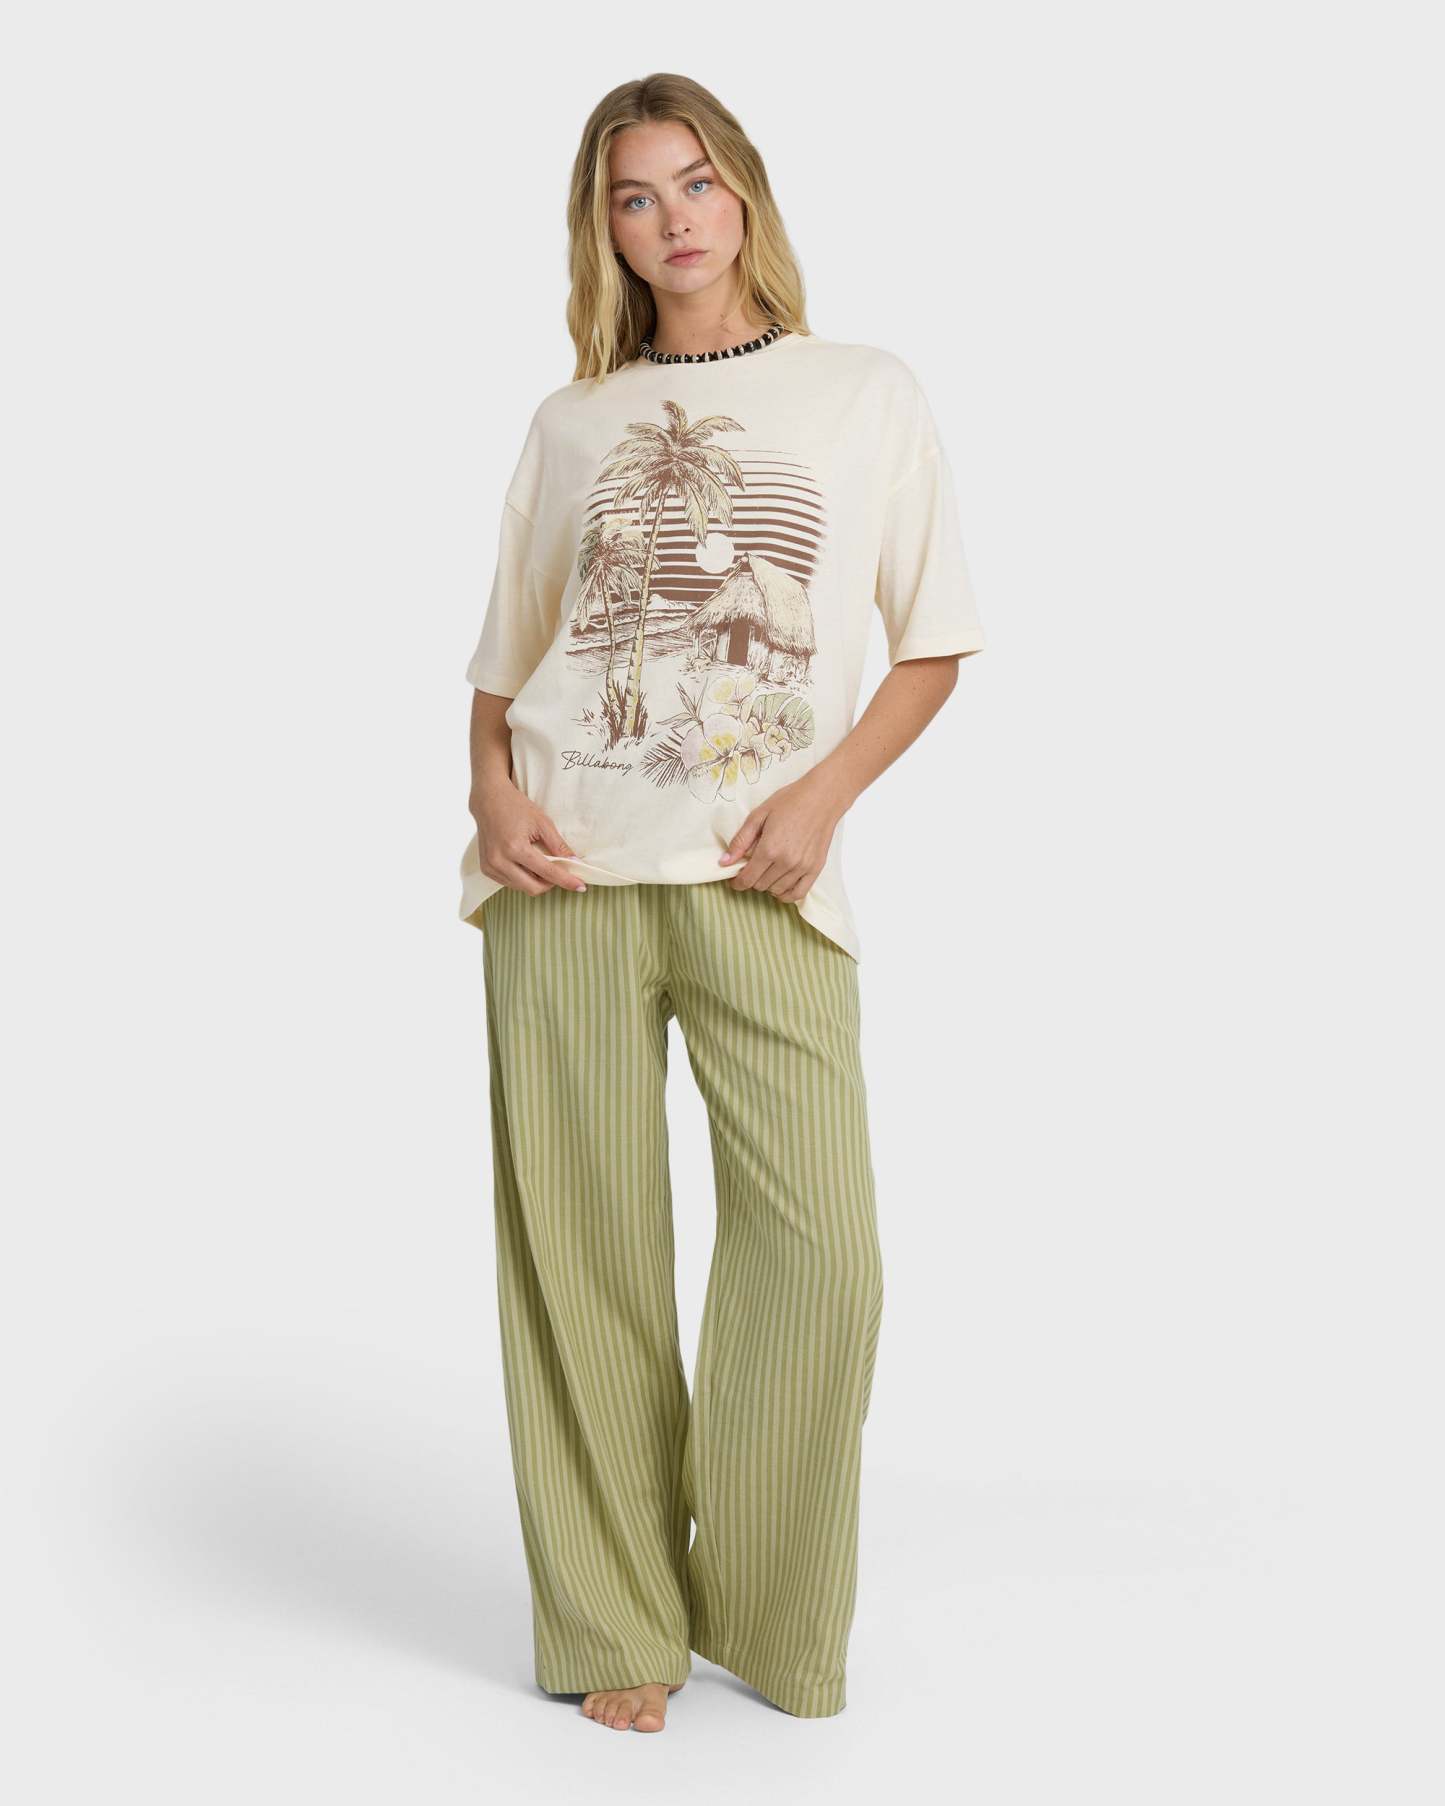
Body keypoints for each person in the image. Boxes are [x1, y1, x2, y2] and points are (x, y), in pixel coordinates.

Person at [460, 73, 985, 1732]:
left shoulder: (862, 390)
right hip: (561, 871)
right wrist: (489, 796)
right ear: (603, 229)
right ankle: (614, 1610)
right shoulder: (574, 422)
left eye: (692, 182)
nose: (671, 218)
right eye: (633, 196)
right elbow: (504, 668)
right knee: (582, 1251)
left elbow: (931, 642)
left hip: (766, 874)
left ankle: (762, 1604)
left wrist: (821, 800)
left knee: (824, 1254)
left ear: (741, 190)